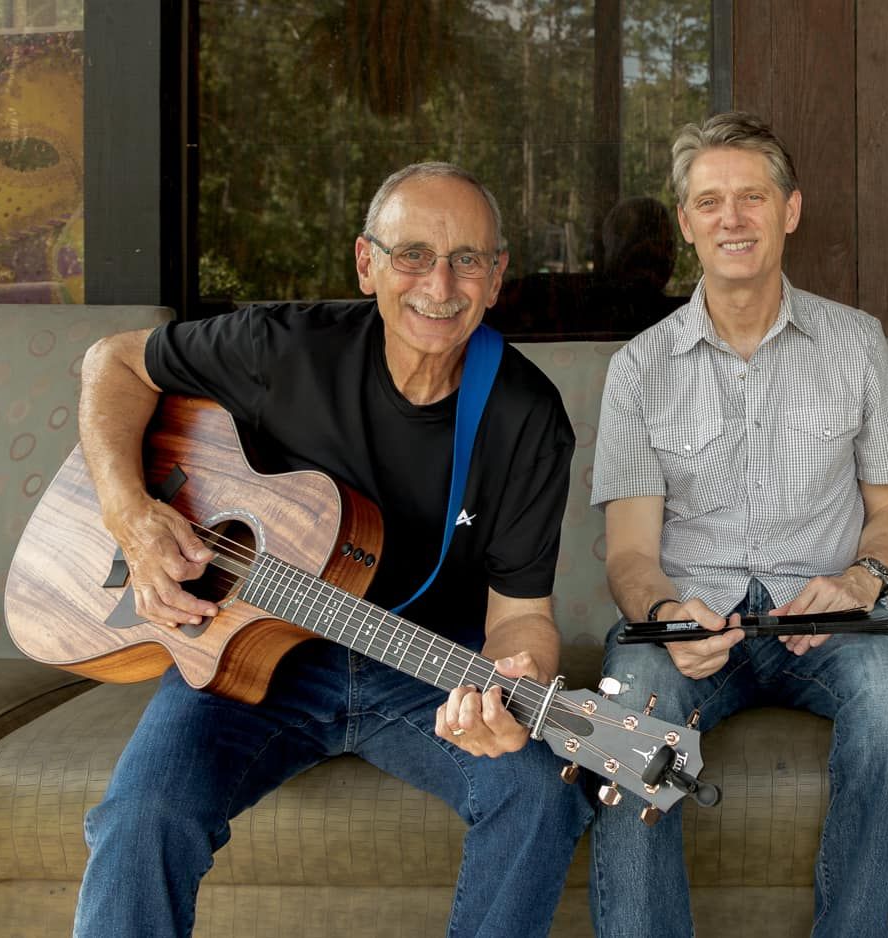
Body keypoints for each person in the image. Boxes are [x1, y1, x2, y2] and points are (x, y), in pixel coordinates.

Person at [72, 162, 591, 937]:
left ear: (496, 277)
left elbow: (521, 616)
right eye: (412, 253)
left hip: (425, 667)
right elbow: (111, 361)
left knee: (544, 792)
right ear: (366, 262)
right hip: (243, 650)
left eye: (467, 260)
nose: (439, 284)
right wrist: (130, 513)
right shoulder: (281, 348)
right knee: (142, 813)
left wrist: (522, 686)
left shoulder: (525, 415)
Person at [587, 111, 888, 938]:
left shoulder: (855, 343)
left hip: (833, 622)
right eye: (709, 202)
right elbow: (632, 555)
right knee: (626, 717)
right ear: (686, 224)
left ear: (791, 210)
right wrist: (664, 615)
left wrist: (860, 580)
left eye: (752, 197)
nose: (732, 219)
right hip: (692, 623)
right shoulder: (638, 368)